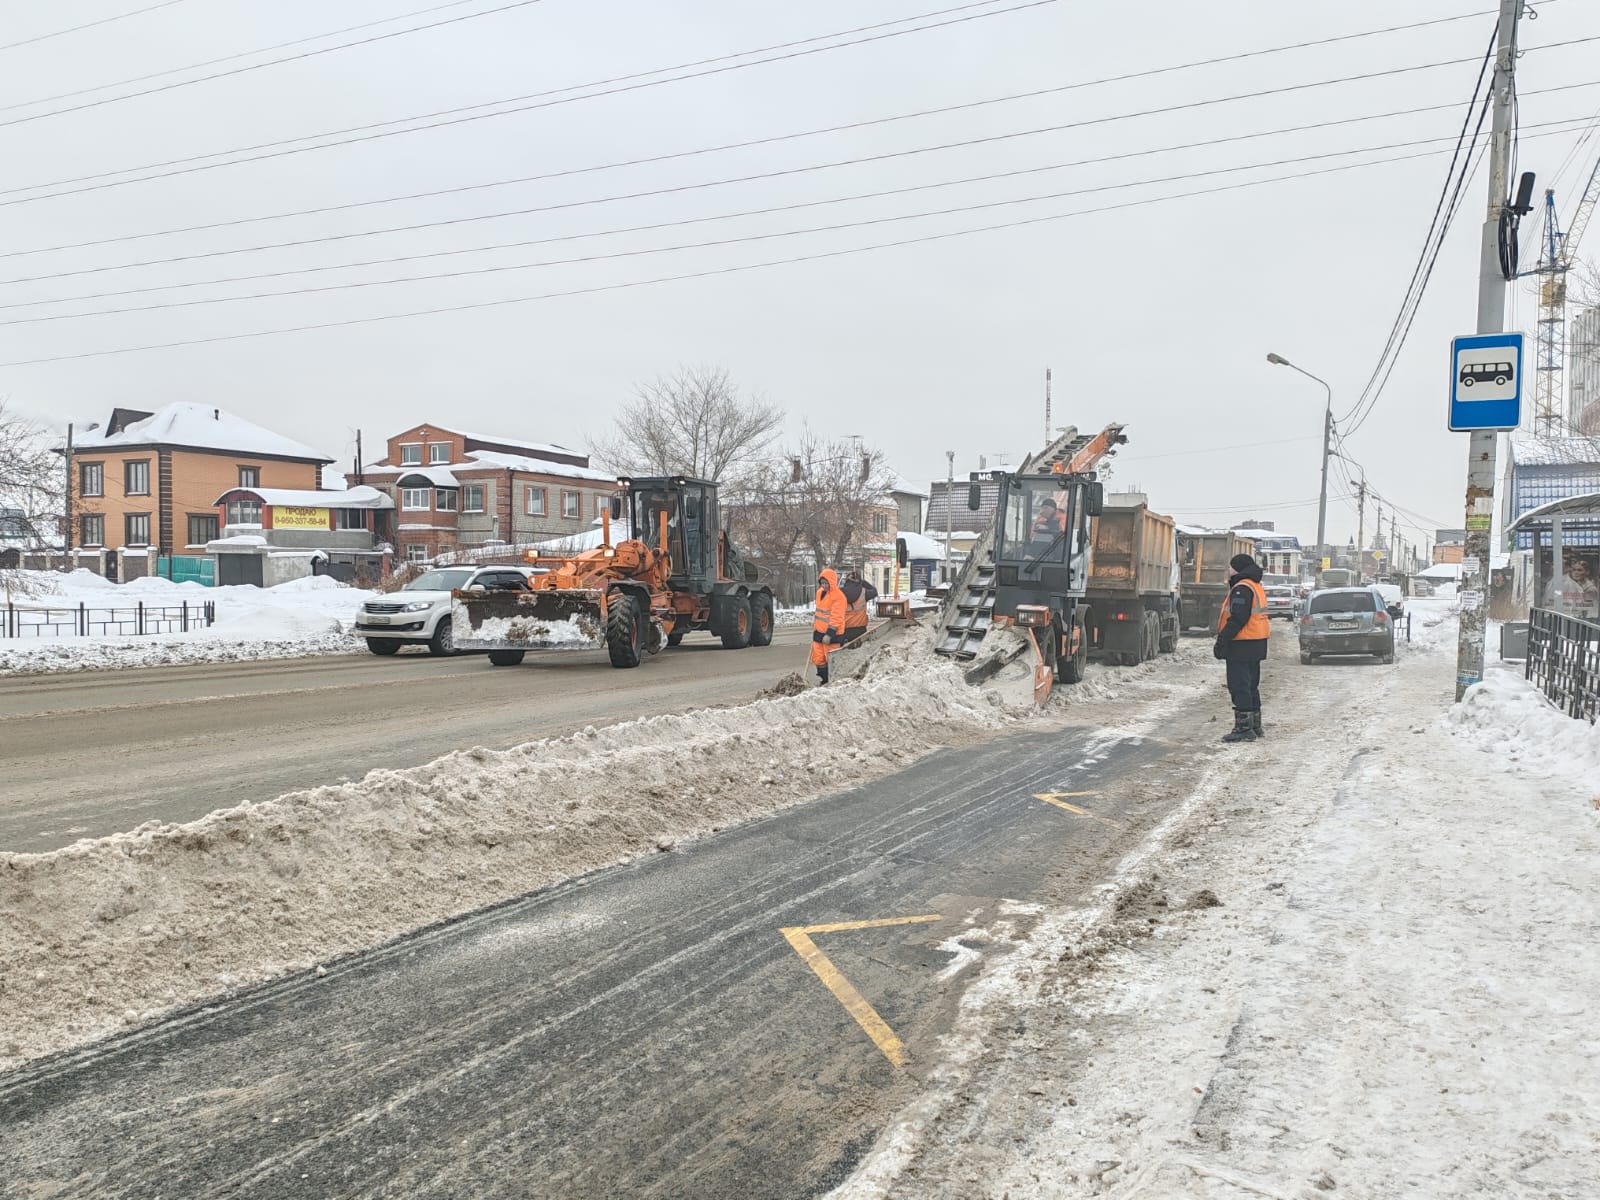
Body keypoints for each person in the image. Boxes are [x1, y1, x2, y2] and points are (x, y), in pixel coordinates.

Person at [1213, 552, 1269, 742]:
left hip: (1242, 644)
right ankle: (1255, 725)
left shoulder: (1242, 588)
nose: (1228, 570)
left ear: (1237, 568)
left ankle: (1243, 729)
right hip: (1256, 643)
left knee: (1239, 686)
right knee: (1251, 685)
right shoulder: (1255, 586)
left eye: (1231, 567)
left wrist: (1223, 640)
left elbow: (1238, 618)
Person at [810, 568, 848, 684]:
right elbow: (820, 612)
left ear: (832, 582)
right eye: (822, 583)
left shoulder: (839, 597)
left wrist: (830, 633)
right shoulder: (819, 593)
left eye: (827, 583)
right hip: (819, 632)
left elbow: (837, 617)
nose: (824, 585)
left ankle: (833, 681)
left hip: (832, 634)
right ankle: (824, 679)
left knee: (831, 659)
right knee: (818, 657)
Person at [840, 570, 879, 647]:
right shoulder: (863, 592)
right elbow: (874, 591)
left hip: (844, 630)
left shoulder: (840, 593)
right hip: (860, 630)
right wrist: (863, 582)